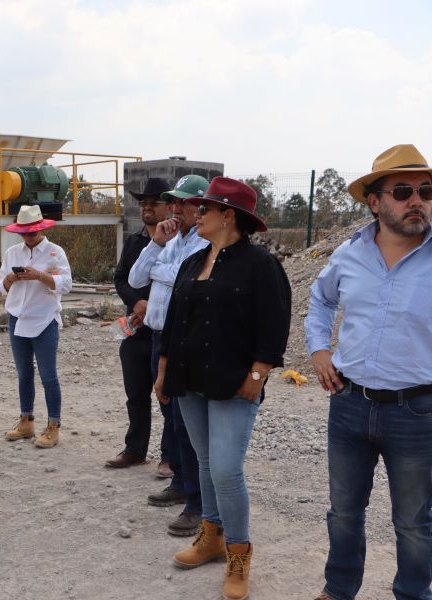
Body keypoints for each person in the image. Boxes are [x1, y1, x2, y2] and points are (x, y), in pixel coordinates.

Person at [155, 176, 291, 600]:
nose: (197, 215)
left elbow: (274, 324)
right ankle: (211, 535)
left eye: (205, 209)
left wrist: (257, 375)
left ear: (228, 215)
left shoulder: (260, 265)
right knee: (204, 459)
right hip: (189, 380)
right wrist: (163, 371)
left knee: (226, 469)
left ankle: (238, 553)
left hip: (234, 385)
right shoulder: (193, 262)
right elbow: (176, 321)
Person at [306, 144, 432, 600]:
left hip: (418, 411)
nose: (416, 200)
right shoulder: (349, 254)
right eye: (402, 191)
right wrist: (320, 349)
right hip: (349, 405)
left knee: (415, 521)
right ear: (375, 202)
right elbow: (320, 302)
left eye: (425, 190)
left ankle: (414, 594)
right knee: (343, 512)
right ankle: (338, 590)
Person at [128, 174, 209, 537]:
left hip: (182, 341)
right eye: (174, 203)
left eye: (185, 204)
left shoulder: (203, 244)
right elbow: (135, 279)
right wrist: (156, 246)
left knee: (188, 421)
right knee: (173, 417)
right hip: (159, 336)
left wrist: (163, 269)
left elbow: (180, 282)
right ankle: (180, 480)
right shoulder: (171, 240)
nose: (176, 210)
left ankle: (197, 502)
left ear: (201, 207)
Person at [105, 177, 172, 468]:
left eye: (153, 203)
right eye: (143, 203)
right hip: (135, 332)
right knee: (135, 395)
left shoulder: (178, 243)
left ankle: (170, 457)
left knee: (167, 398)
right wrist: (136, 302)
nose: (146, 208)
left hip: (165, 333)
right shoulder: (134, 242)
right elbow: (121, 278)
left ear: (168, 207)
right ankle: (135, 449)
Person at [0, 204, 72, 448]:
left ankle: (54, 425)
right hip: (17, 316)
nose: (28, 237)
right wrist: (11, 278)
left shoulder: (55, 252)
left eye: (32, 232)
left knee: (48, 375)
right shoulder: (12, 253)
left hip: (44, 318)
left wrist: (40, 276)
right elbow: (1, 285)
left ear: (40, 229)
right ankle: (26, 420)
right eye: (24, 233)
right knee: (24, 373)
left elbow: (67, 283)